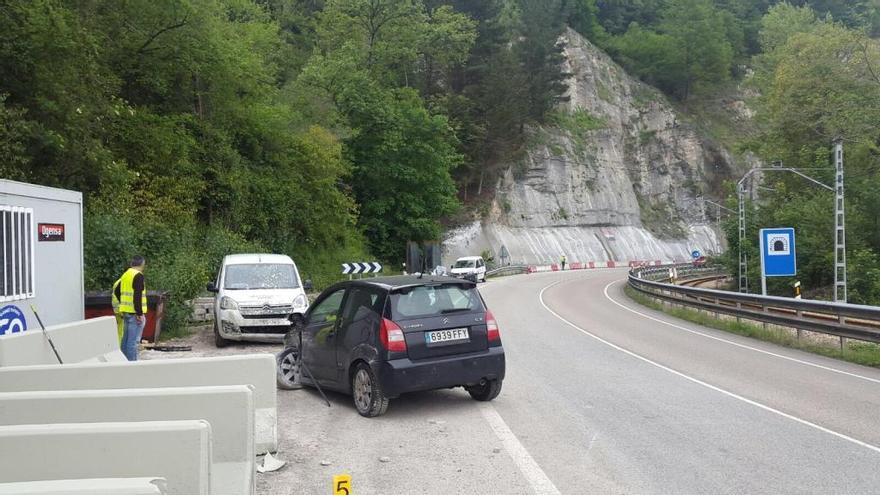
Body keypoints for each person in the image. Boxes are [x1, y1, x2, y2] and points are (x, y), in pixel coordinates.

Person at [114, 255, 147, 361]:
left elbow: (117, 291)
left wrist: (123, 303)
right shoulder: (138, 275)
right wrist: (139, 313)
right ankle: (132, 367)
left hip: (126, 313)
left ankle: (123, 363)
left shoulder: (125, 275)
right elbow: (137, 295)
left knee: (125, 341)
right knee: (133, 343)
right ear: (142, 264)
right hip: (134, 314)